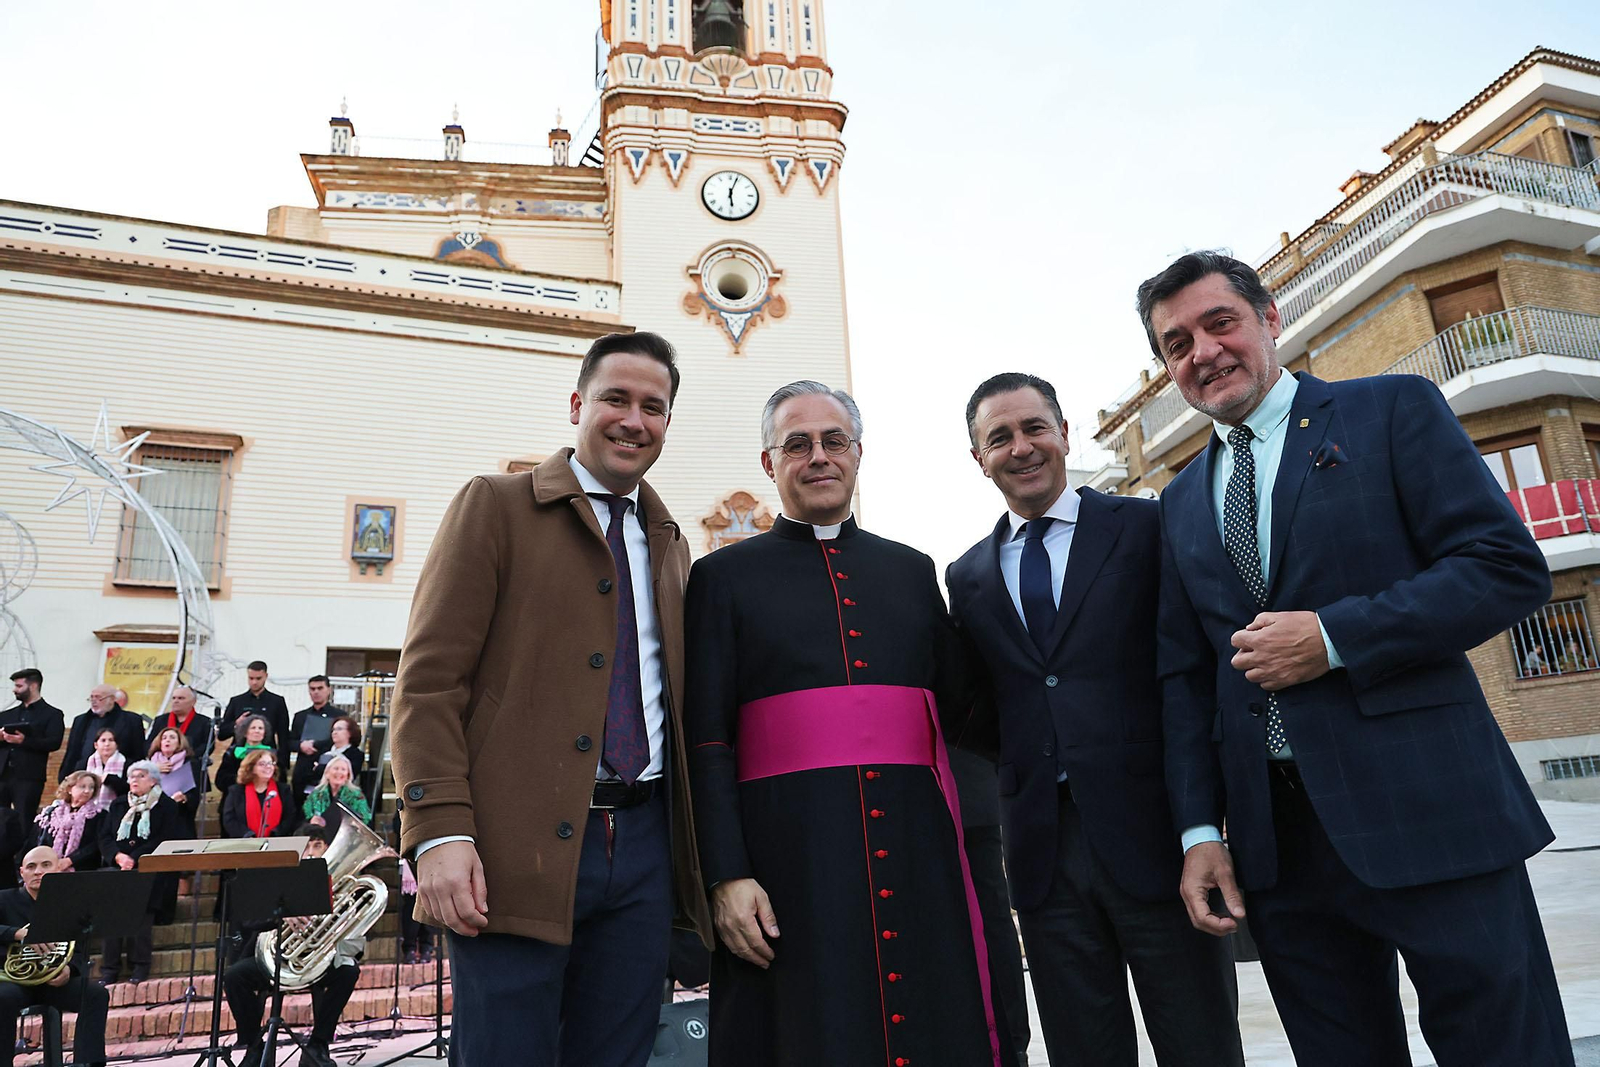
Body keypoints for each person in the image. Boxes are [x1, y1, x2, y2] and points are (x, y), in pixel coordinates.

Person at [1141, 250, 1573, 1066]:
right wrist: (1202, 827)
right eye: (1176, 343)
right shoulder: (1179, 501)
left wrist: (1335, 638)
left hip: (1432, 810)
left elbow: (1504, 568)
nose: (1202, 351)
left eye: (1219, 322)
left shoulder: (1390, 410)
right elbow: (1185, 679)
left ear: (1270, 319)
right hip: (1281, 849)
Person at [390, 331, 713, 1066]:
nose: (634, 419)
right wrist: (439, 830)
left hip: (641, 854)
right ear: (577, 404)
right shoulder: (494, 505)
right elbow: (430, 680)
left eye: (654, 406)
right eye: (616, 399)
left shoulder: (670, 541)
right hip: (509, 850)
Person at [686, 381, 1002, 1066]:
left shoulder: (912, 571)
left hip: (919, 853)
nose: (818, 456)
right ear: (770, 464)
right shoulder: (721, 578)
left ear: (858, 453)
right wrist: (726, 875)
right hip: (787, 858)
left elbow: (965, 712)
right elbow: (706, 742)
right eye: (796, 444)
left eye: (834, 441)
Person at [946, 372, 1244, 1066]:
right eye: (1000, 437)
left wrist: (1205, 820)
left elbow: (1189, 674)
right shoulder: (968, 576)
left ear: (1063, 433)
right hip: (1044, 860)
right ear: (978, 457)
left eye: (1034, 428)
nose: (1021, 447)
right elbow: (982, 705)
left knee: (1201, 1045)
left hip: (1159, 842)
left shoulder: (1146, 526)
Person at [223, 823, 356, 1067]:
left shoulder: (343, 881)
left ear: (327, 847)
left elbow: (355, 938)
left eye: (318, 845)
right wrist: (280, 916)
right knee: (233, 977)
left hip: (319, 960)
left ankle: (318, 1046)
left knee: (349, 970)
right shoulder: (278, 874)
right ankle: (254, 1047)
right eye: (307, 846)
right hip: (275, 958)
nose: (312, 852)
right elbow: (251, 919)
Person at [947, 748, 1031, 1067]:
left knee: (990, 918)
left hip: (964, 785)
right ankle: (1011, 1044)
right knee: (992, 917)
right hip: (974, 780)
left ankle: (1010, 1044)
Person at [0, 847, 110, 1067]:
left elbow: (79, 950)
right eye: (31, 867)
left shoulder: (70, 905)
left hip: (53, 982)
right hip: (12, 981)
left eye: (46, 865)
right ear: (22, 872)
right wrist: (16, 933)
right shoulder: (4, 899)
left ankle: (88, 1063)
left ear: (59, 869)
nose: (38, 871)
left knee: (96, 994)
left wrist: (70, 969)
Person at [98, 760, 181, 985]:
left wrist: (135, 857)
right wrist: (118, 856)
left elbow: (165, 837)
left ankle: (140, 966)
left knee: (141, 921)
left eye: (140, 776)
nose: (134, 780)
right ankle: (109, 970)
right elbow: (105, 836)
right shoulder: (117, 805)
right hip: (117, 867)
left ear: (154, 779)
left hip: (148, 868)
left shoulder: (166, 805)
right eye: (131, 776)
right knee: (112, 919)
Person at [1, 670, 65, 826]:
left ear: (33, 685)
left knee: (24, 818)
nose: (15, 690)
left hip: (29, 776)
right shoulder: (6, 715)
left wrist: (24, 741)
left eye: (19, 686)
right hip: (2, 774)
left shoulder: (52, 714)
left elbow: (53, 743)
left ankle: (24, 851)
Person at [59, 684, 144, 783]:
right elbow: (72, 752)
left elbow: (138, 753)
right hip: (83, 774)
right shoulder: (80, 720)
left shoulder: (131, 720)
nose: (94, 701)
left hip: (119, 777)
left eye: (99, 697)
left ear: (112, 699)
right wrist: (65, 775)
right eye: (92, 697)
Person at [221, 661, 292, 772]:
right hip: (239, 757)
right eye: (251, 678)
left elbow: (283, 734)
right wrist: (236, 724)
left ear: (266, 677)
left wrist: (283, 762)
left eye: (258, 678)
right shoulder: (237, 701)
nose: (254, 682)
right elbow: (222, 733)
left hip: (268, 754)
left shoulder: (277, 702)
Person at [28, 771, 104, 872]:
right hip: (49, 867)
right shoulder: (52, 812)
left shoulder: (98, 814)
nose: (87, 791)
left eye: (91, 787)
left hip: (83, 869)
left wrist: (70, 861)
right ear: (69, 789)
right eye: (82, 786)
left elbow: (96, 844)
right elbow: (39, 840)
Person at [145, 686, 214, 796]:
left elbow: (208, 746)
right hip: (161, 772)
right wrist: (155, 764)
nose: (176, 701)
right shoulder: (161, 720)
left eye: (181, 698)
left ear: (193, 702)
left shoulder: (204, 722)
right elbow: (148, 745)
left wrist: (182, 758)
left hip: (190, 774)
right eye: (174, 698)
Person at [222, 751, 295, 840]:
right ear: (251, 768)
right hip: (244, 843)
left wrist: (276, 834)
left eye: (271, 763)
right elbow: (229, 819)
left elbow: (290, 817)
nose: (268, 767)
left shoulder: (283, 790)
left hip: (276, 842)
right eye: (262, 764)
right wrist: (247, 835)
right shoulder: (236, 791)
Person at [288, 677, 339, 796]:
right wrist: (301, 745)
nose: (316, 692)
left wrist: (314, 744)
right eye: (312, 689)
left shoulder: (339, 716)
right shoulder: (300, 716)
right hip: (303, 768)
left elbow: (340, 740)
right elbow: (290, 741)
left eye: (320, 688)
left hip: (328, 767)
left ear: (328, 690)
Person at [148, 727, 202, 837]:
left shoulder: (191, 764)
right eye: (164, 738)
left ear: (179, 743)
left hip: (180, 817)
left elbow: (196, 794)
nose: (167, 740)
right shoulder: (149, 765)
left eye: (172, 737)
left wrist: (184, 798)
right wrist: (153, 769)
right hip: (154, 817)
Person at [293, 715, 363, 798]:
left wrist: (321, 768)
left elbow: (348, 775)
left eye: (339, 729)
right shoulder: (323, 749)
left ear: (350, 732)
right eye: (333, 730)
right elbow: (308, 773)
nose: (334, 732)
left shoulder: (356, 754)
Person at [301, 755, 370, 834]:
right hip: (320, 836)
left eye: (343, 769)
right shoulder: (315, 794)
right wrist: (312, 820)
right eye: (336, 768)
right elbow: (305, 817)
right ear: (327, 773)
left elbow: (365, 819)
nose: (339, 772)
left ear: (348, 776)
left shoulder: (357, 796)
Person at [216, 714, 276, 795]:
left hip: (265, 795)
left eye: (260, 728)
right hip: (237, 796)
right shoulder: (233, 752)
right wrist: (242, 779)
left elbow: (279, 778)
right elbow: (221, 780)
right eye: (253, 728)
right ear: (244, 732)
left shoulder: (272, 753)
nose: (257, 731)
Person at [85, 728, 126, 808]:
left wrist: (109, 779)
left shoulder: (126, 763)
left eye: (111, 740)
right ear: (96, 745)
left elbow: (128, 789)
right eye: (103, 740)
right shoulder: (86, 762)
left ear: (116, 744)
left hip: (117, 808)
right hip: (89, 809)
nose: (107, 744)